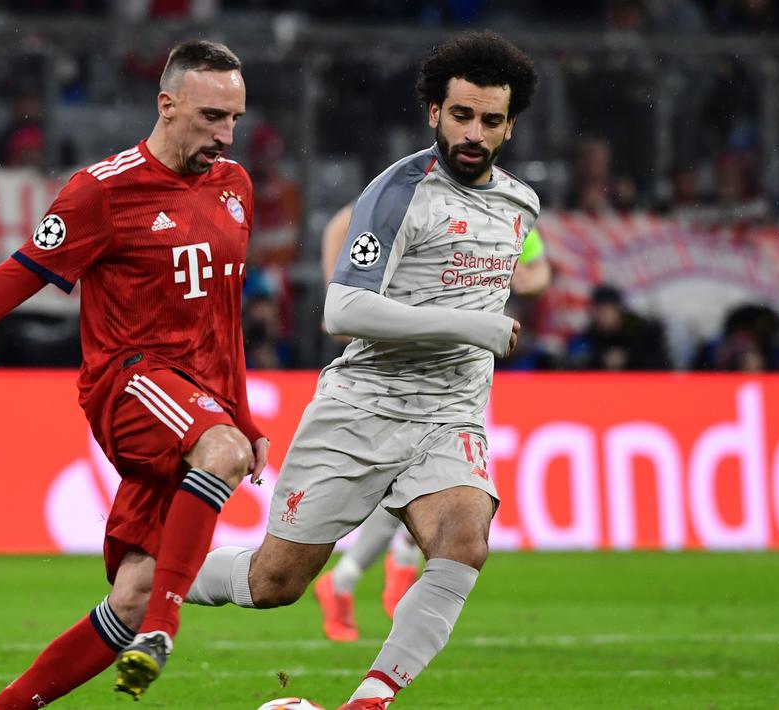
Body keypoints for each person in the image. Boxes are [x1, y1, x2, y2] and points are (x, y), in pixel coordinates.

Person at [0, 40, 267, 707]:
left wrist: (242, 416)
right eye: (212, 117)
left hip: (196, 402)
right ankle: (163, 630)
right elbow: (17, 275)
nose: (225, 135)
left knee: (133, 591)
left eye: (235, 120)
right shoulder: (102, 191)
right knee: (219, 455)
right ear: (167, 104)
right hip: (128, 383)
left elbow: (225, 320)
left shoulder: (235, 187)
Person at [186, 30, 537, 709]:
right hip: (364, 408)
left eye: (490, 120)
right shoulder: (398, 192)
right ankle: (155, 581)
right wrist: (472, 327)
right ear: (433, 112)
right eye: (461, 115)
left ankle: (368, 701)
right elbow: (342, 310)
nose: (473, 132)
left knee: (463, 542)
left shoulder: (522, 204)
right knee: (274, 582)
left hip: (450, 416)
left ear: (509, 126)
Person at [312, 207, 551, 644]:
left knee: (429, 476)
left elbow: (538, 272)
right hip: (395, 367)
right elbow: (340, 228)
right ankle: (382, 568)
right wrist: (341, 291)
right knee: (403, 477)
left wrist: (518, 279)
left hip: (461, 369)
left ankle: (359, 576)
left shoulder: (502, 211)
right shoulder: (407, 199)